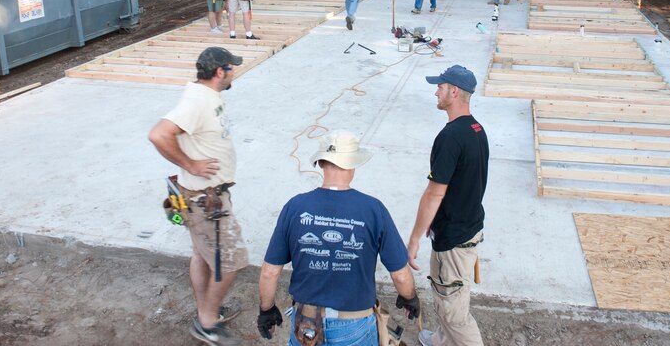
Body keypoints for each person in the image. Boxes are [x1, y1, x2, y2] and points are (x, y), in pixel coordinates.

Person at [256, 132, 421, 345]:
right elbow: (399, 275)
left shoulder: (295, 207)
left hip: (306, 325)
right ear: (353, 165)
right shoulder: (373, 210)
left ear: (321, 163)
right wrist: (409, 297)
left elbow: (270, 271)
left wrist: (266, 309)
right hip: (354, 325)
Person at [147, 47, 249, 346]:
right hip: (206, 202)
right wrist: (190, 164)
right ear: (220, 72)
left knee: (203, 256)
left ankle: (208, 310)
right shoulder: (197, 101)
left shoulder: (207, 96)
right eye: (232, 67)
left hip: (203, 196)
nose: (235, 71)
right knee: (230, 262)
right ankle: (207, 321)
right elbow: (158, 134)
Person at [408, 65, 489, 346]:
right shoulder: (476, 129)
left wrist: (414, 238)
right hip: (468, 227)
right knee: (451, 294)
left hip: (454, 240)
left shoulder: (450, 137)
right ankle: (443, 340)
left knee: (454, 312)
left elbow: (434, 194)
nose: (436, 91)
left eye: (440, 87)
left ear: (454, 92)